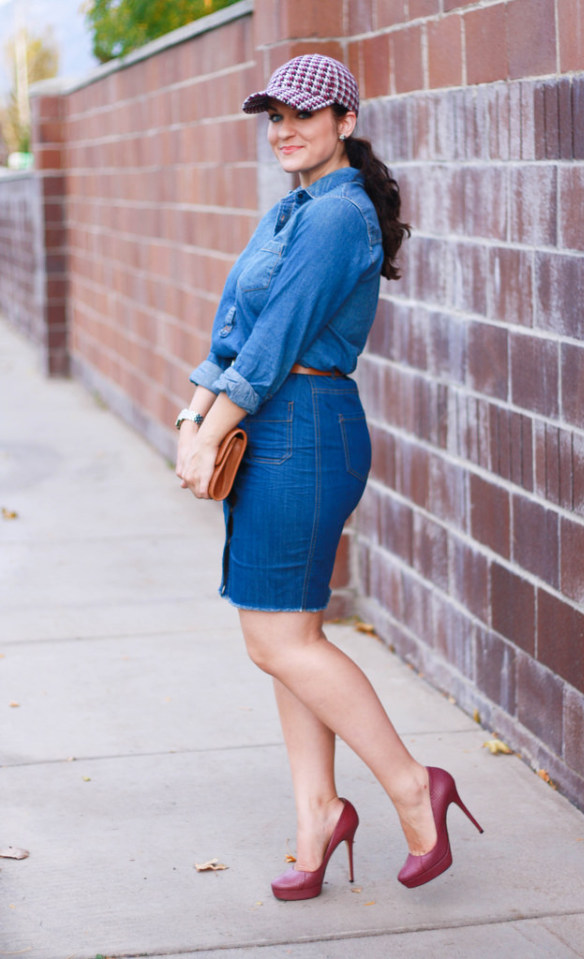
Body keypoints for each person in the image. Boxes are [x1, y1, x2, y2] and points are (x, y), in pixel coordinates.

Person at [175, 54, 482, 901]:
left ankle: (417, 787)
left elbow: (278, 341)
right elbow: (234, 327)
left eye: (303, 116)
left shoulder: (339, 215)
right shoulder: (291, 210)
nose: (284, 131)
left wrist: (216, 428)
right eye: (273, 118)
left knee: (276, 640)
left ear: (346, 122)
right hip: (275, 427)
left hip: (303, 430)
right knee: (292, 643)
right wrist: (191, 416)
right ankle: (317, 817)